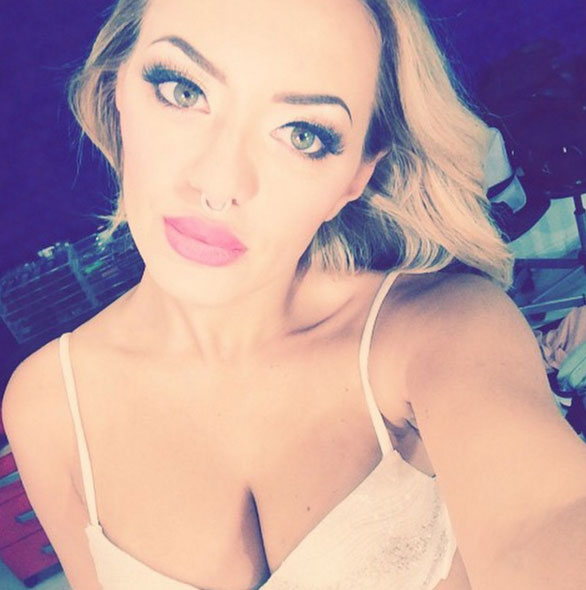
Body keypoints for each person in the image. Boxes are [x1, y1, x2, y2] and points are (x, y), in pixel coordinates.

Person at [3, 0, 586, 589]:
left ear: (354, 177)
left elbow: (544, 520)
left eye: (303, 135)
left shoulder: (441, 333)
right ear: (116, 93)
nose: (219, 185)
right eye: (184, 91)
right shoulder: (48, 406)